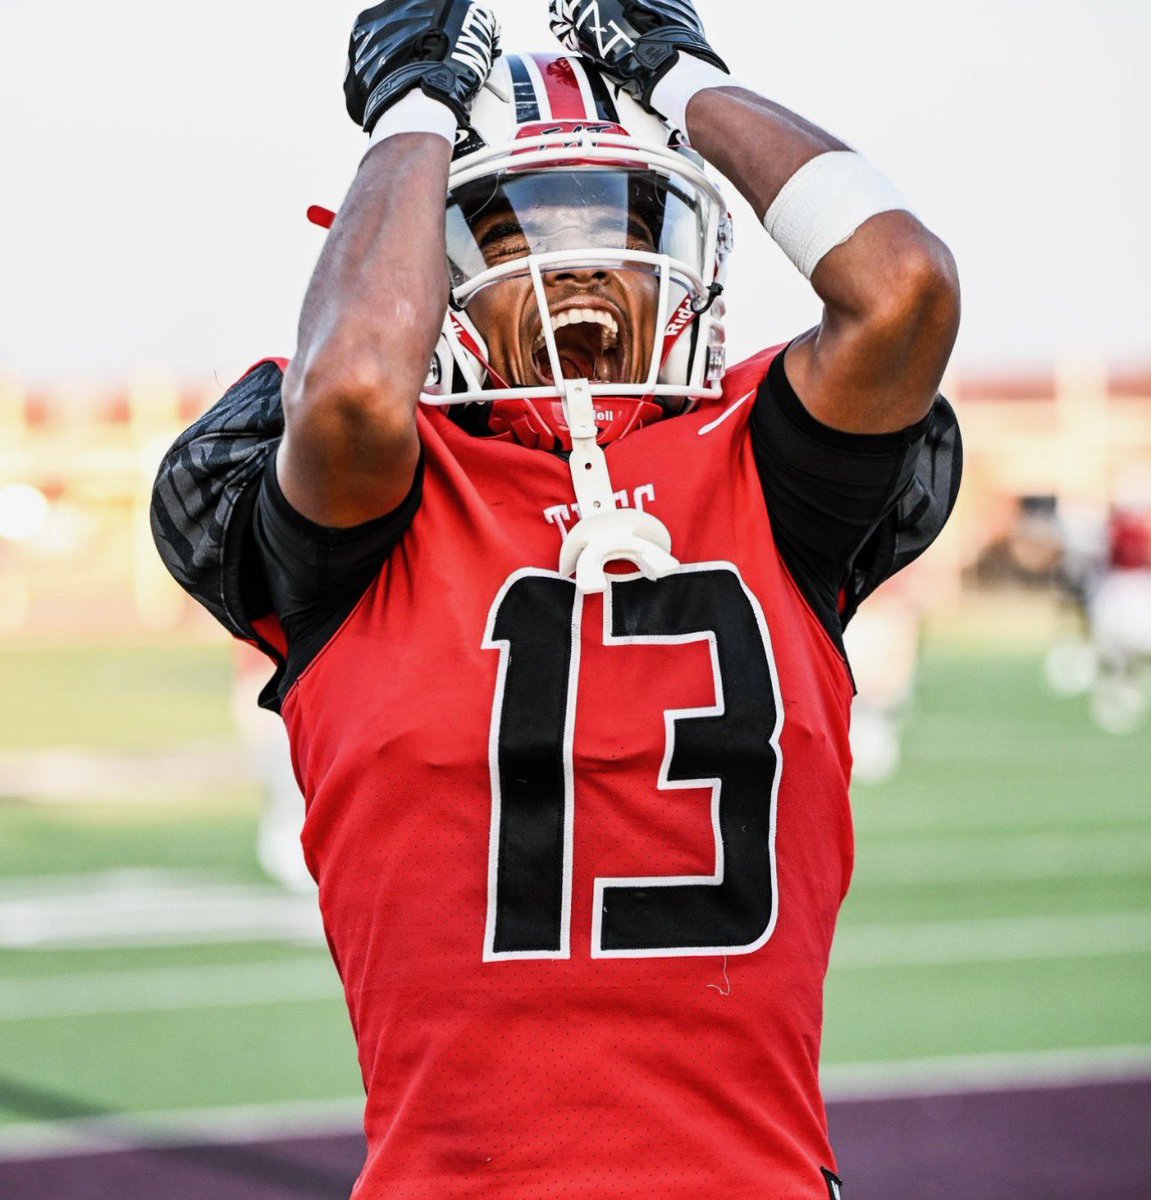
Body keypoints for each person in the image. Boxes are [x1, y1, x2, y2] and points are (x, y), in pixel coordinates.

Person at [152, 1, 962, 1195]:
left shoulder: (769, 476)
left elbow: (903, 285)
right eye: (517, 224)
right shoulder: (370, 500)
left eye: (619, 217)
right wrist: (412, 112)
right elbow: (354, 395)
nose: (580, 257)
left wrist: (682, 78)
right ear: (430, 267)